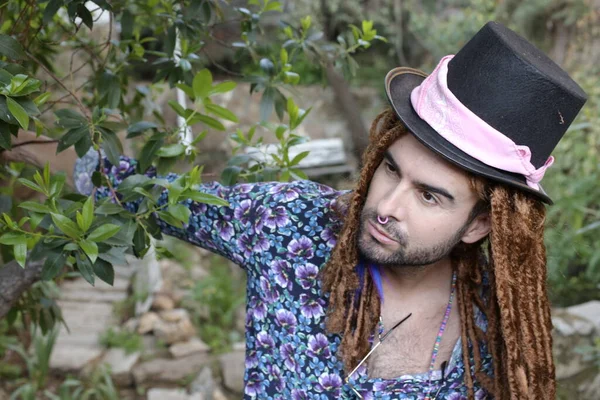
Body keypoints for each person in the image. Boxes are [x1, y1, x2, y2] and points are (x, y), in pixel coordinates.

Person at [2, 21, 587, 399]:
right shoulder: (290, 226)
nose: (385, 205)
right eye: (390, 168)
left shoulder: (498, 324)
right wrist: (16, 130)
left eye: (430, 195)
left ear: (480, 223)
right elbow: (138, 191)